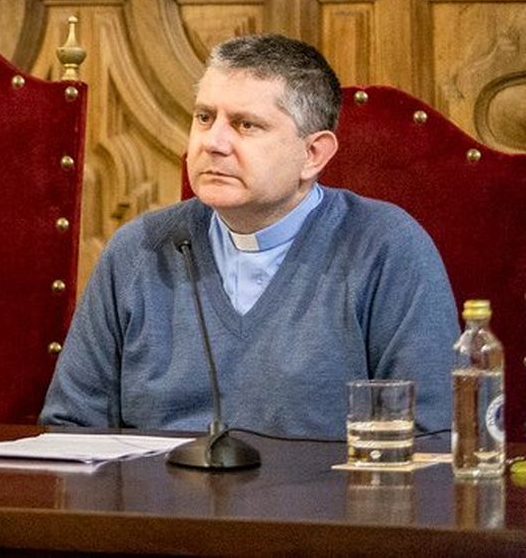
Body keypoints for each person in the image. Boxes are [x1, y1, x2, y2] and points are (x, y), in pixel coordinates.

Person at [41, 34, 456, 437]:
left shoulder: (386, 248)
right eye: (205, 118)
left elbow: (430, 437)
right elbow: (71, 427)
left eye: (246, 125)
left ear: (313, 154)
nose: (213, 143)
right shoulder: (138, 250)